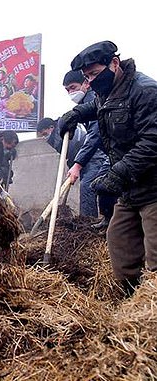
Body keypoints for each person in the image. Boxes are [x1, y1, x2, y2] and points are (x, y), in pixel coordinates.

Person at [58, 41, 157, 295]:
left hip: (153, 187)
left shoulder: (145, 91)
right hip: (130, 190)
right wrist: (78, 113)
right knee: (120, 245)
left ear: (114, 63)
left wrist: (118, 173)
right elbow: (100, 106)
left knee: (155, 255)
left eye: (94, 73)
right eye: (87, 76)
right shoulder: (108, 89)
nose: (90, 81)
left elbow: (152, 141)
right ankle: (129, 302)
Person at [62, 69, 116, 227]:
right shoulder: (86, 102)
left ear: (86, 83)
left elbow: (96, 133)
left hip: (113, 152)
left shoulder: (92, 98)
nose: (71, 92)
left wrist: (78, 164)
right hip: (109, 151)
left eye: (73, 87)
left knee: (91, 184)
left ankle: (90, 225)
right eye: (67, 90)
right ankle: (104, 223)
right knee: (100, 186)